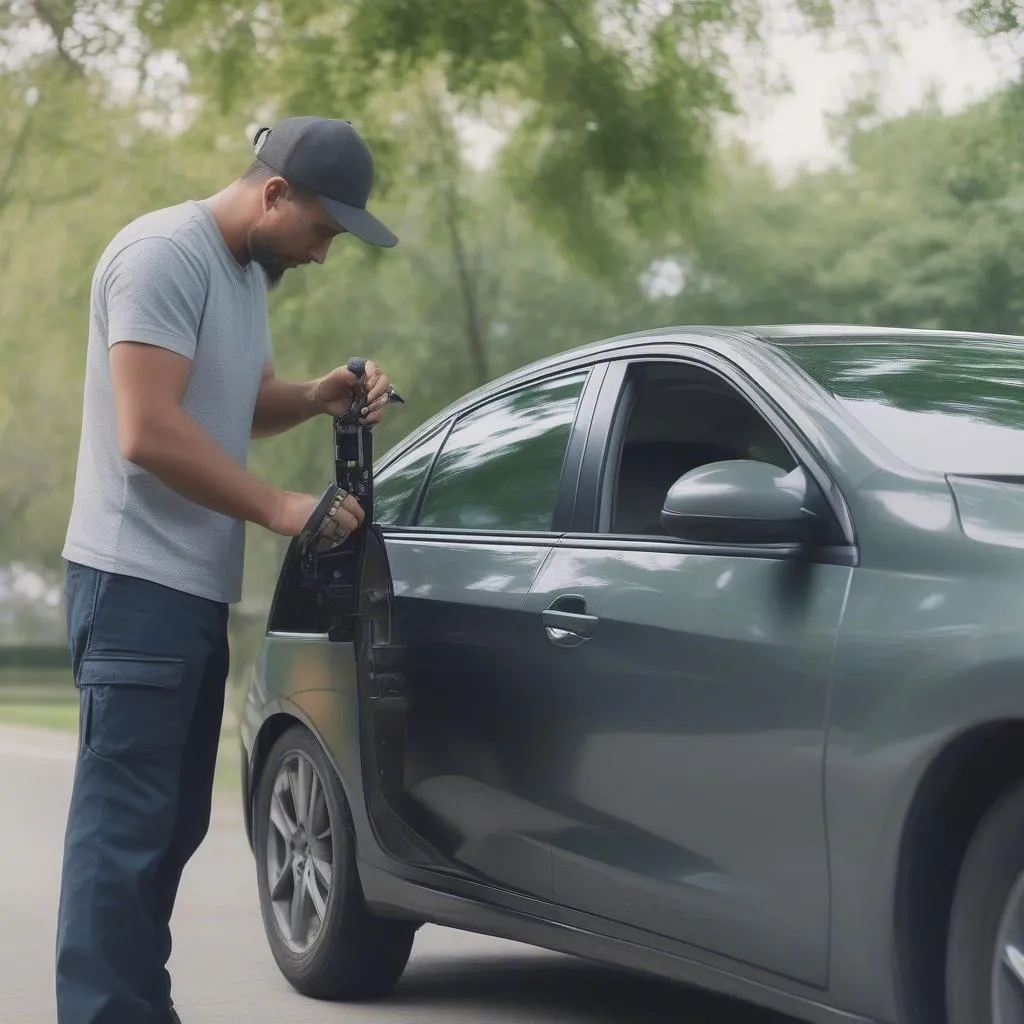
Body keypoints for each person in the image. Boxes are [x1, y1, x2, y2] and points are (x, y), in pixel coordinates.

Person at [54, 115, 400, 1024]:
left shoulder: (244, 274)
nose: (324, 255)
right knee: (124, 834)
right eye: (323, 230)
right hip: (134, 586)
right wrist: (285, 509)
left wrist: (315, 394)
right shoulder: (164, 253)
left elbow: (230, 408)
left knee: (168, 831)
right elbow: (149, 431)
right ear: (273, 192)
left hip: (189, 590)